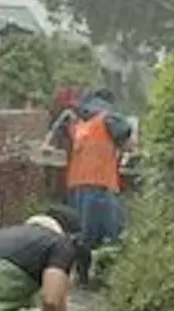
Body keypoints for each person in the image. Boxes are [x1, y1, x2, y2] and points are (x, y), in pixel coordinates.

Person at [43, 89, 134, 283]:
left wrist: (48, 142)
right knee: (111, 233)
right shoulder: (109, 118)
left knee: (81, 232)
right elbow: (128, 143)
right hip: (101, 186)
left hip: (76, 187)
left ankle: (82, 275)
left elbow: (54, 137)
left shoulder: (79, 125)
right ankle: (103, 276)